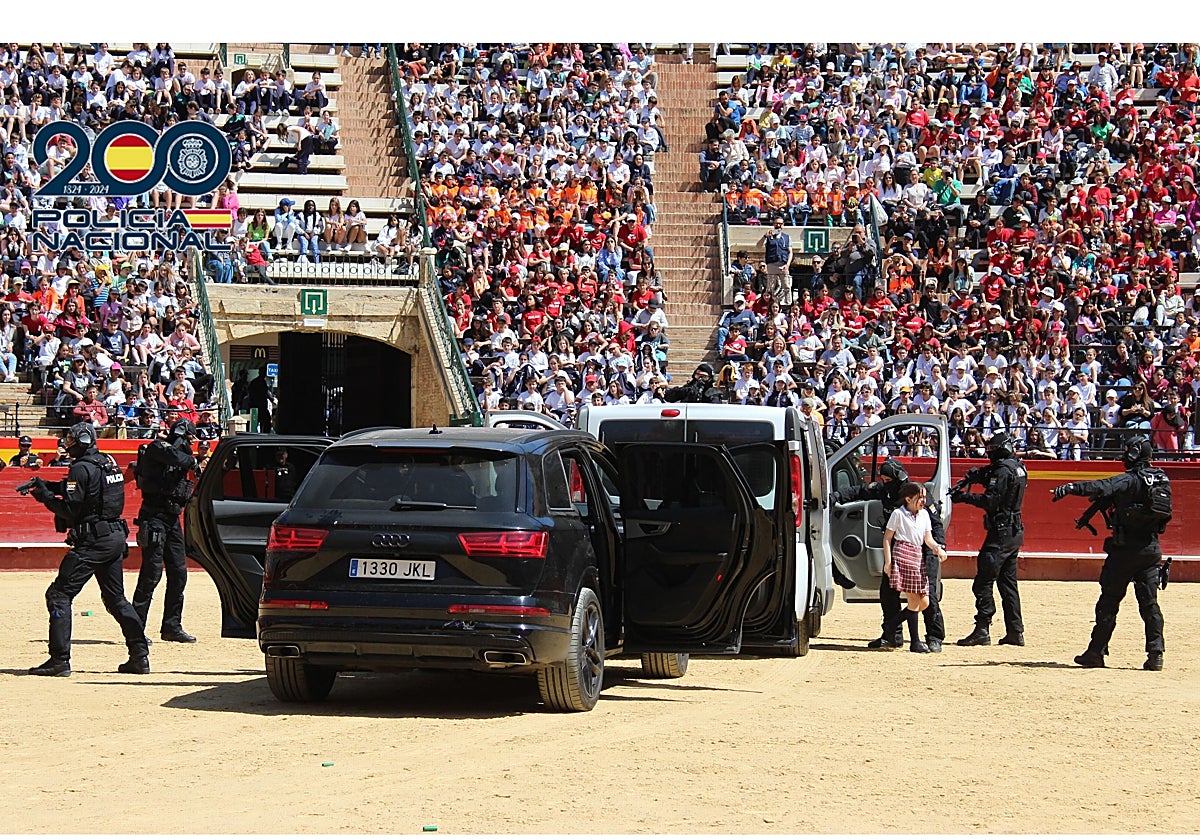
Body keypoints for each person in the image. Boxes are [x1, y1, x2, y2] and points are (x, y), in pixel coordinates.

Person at [26, 422, 149, 676]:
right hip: (114, 537)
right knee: (116, 599)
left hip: (93, 541)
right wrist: (50, 485)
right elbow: (92, 491)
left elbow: (71, 509)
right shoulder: (107, 461)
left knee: (59, 595)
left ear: (79, 441)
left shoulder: (80, 468)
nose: (67, 444)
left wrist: (45, 497)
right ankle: (140, 656)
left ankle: (59, 660)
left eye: (71, 439)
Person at [1052, 436, 1170, 671]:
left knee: (1109, 601)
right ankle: (1155, 653)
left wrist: (1072, 487)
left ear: (1135, 454)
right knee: (1149, 604)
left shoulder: (1129, 480)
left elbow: (1102, 486)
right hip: (1150, 549)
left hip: (1125, 550)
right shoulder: (1160, 479)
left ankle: (1096, 652)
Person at [832, 457, 946, 650]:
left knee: (927, 595)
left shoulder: (917, 495)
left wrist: (939, 547)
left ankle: (934, 637)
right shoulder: (884, 490)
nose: (885, 483)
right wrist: (834, 497)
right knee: (888, 593)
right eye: (883, 479)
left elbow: (935, 525)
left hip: (924, 551)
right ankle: (892, 635)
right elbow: (859, 491)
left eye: (887, 479)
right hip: (899, 551)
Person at [952, 430, 1027, 647]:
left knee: (983, 581)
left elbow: (992, 500)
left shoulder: (1003, 470)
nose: (990, 455)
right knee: (1008, 583)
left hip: (1001, 532)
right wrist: (979, 475)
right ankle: (1015, 630)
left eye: (992, 450)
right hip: (1014, 531)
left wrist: (964, 497)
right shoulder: (1018, 467)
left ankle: (982, 628)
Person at [131, 418, 198, 644]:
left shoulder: (179, 454)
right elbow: (177, 457)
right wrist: (192, 461)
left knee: (179, 573)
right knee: (151, 574)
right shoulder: (158, 448)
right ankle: (136, 627)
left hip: (171, 518)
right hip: (154, 516)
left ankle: (171, 626)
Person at [882, 482, 948, 653]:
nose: (923, 501)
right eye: (920, 498)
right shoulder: (898, 514)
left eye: (925, 497)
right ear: (908, 498)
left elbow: (928, 538)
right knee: (914, 600)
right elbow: (888, 538)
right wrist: (888, 562)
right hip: (903, 553)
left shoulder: (925, 514)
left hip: (918, 556)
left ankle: (892, 624)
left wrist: (937, 548)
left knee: (924, 601)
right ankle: (915, 642)